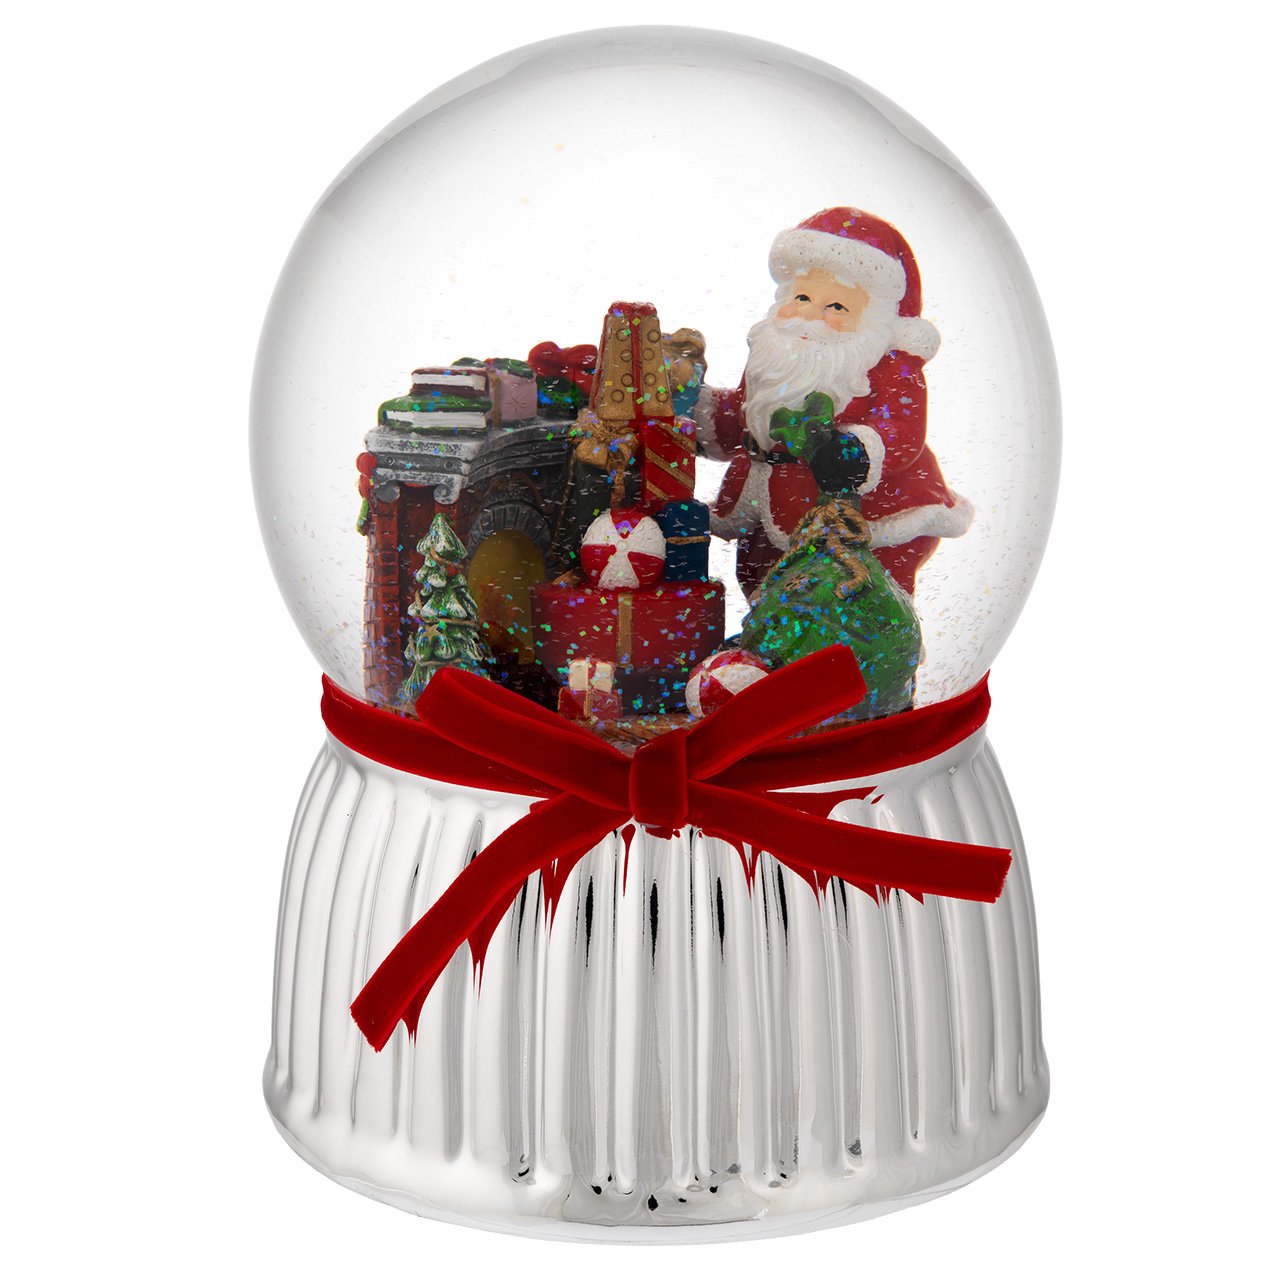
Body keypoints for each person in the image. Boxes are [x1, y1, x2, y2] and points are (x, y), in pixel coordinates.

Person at [695, 207, 972, 596]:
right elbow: (740, 418)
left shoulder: (891, 367)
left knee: (858, 591)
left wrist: (856, 453)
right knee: (761, 579)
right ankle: (765, 626)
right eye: (802, 296)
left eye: (837, 307)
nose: (810, 315)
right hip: (767, 505)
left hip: (861, 514)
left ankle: (869, 629)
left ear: (874, 319)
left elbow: (901, 430)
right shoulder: (776, 355)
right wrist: (694, 406)